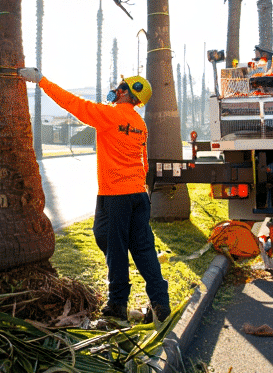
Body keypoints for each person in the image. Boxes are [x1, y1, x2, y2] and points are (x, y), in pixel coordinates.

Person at [17, 67, 171, 324]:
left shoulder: (109, 115)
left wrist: (42, 81)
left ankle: (117, 306)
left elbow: (73, 104)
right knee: (142, 248)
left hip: (115, 197)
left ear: (124, 92)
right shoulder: (139, 124)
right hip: (137, 196)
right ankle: (160, 303)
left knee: (114, 246)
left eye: (120, 86)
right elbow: (143, 162)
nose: (116, 88)